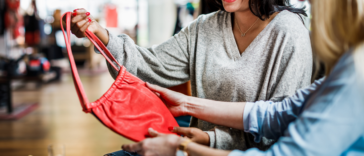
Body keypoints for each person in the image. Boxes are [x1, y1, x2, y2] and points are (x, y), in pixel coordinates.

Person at [119, 0, 364, 155]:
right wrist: (188, 105)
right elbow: (278, 113)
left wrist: (187, 147)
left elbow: (281, 145)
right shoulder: (204, 26)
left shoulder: (353, 72)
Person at [69, 0, 312, 152]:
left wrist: (211, 140)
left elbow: (284, 127)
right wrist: (101, 35)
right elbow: (149, 66)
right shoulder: (204, 27)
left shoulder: (289, 32)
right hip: (192, 147)